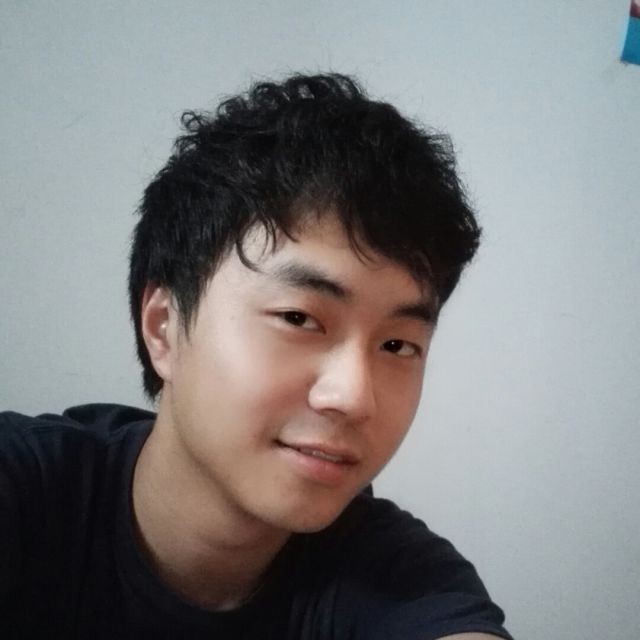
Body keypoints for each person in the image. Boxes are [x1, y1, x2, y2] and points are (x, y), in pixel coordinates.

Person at [0, 73, 513, 639]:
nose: (353, 396)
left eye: (397, 345)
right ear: (164, 327)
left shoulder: (401, 577)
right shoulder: (26, 491)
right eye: (298, 318)